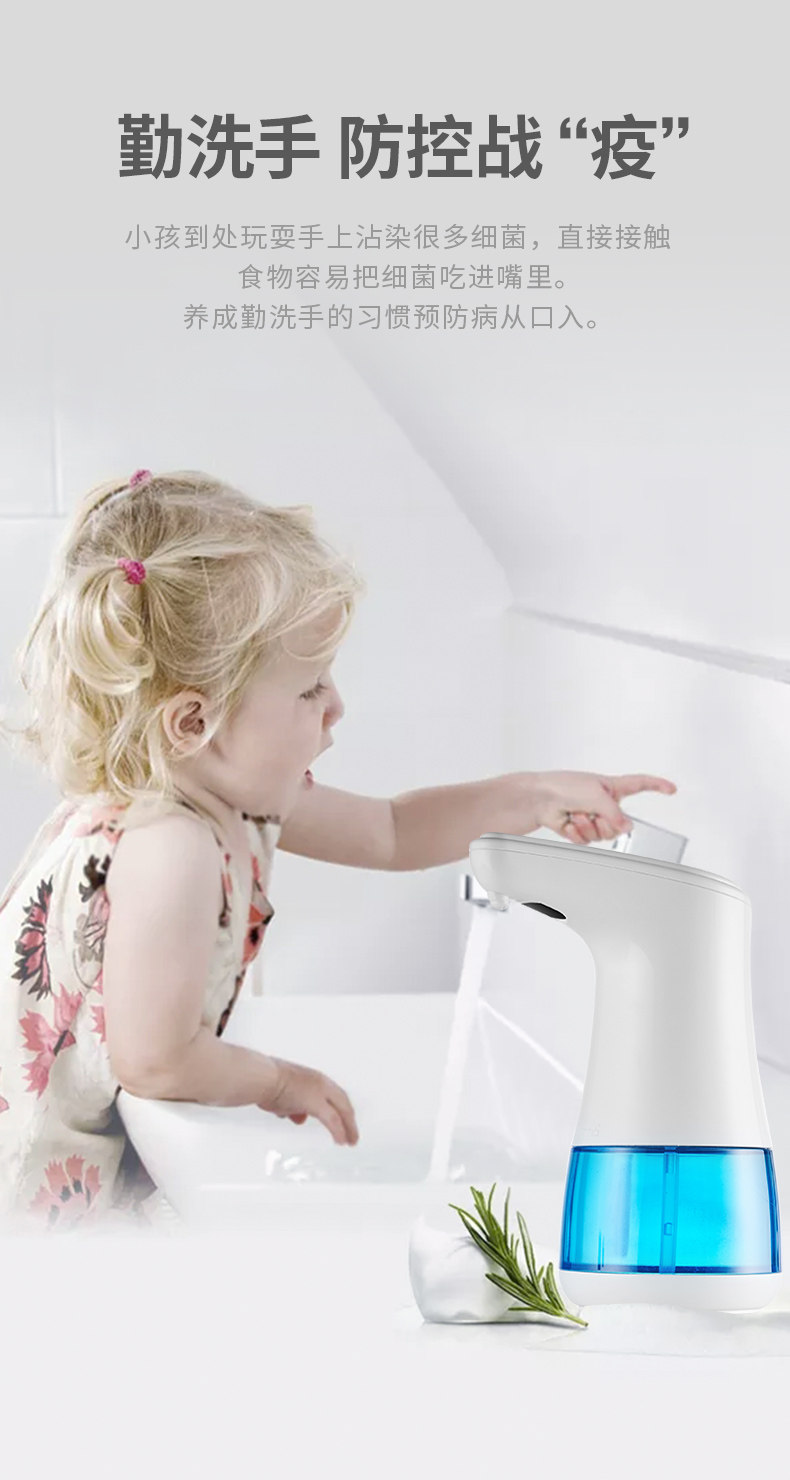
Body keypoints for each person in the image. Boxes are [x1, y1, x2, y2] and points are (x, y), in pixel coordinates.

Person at [0, 468, 676, 1234]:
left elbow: (393, 830)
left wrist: (536, 795)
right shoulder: (170, 846)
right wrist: (277, 1082)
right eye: (309, 690)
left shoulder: (223, 792)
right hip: (29, 1194)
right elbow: (155, 1059)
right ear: (191, 723)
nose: (337, 707)